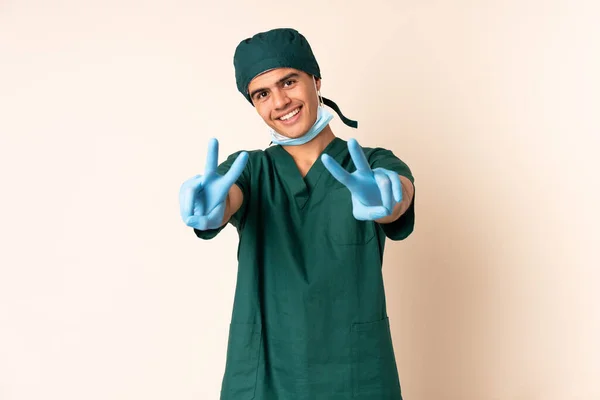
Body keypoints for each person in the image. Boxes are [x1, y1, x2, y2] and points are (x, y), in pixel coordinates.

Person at [179, 27, 415, 400]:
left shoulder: (371, 165)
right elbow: (227, 198)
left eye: (289, 82)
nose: (280, 101)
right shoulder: (249, 171)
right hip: (264, 370)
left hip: (355, 370)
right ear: (254, 105)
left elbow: (399, 194)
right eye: (262, 93)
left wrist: (390, 197)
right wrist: (210, 206)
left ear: (316, 80)